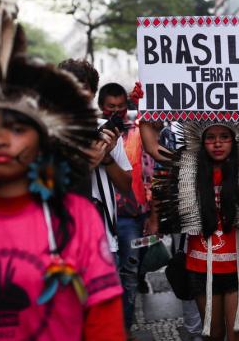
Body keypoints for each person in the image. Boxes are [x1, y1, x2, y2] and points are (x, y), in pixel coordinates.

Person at [0, 6, 124, 340]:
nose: (1, 140)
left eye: (17, 127)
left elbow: (104, 325)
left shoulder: (78, 219)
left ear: (41, 138)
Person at [139, 79, 239, 341]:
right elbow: (153, 148)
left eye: (223, 137)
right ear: (202, 140)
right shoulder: (187, 166)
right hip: (200, 267)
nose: (218, 143)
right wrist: (144, 104)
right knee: (213, 335)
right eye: (211, 138)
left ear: (234, 140)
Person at [58, 60, 132, 257]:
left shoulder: (106, 129)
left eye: (82, 87)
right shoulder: (47, 132)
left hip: (104, 242)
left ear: (91, 93)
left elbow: (127, 187)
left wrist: (107, 158)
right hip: (62, 242)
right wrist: (86, 163)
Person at [97, 82, 154, 333]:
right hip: (100, 218)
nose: (116, 112)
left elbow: (151, 174)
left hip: (132, 218)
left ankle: (124, 329)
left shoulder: (137, 132)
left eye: (121, 108)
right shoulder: (92, 133)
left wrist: (154, 214)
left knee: (130, 274)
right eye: (110, 107)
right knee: (104, 276)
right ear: (101, 107)